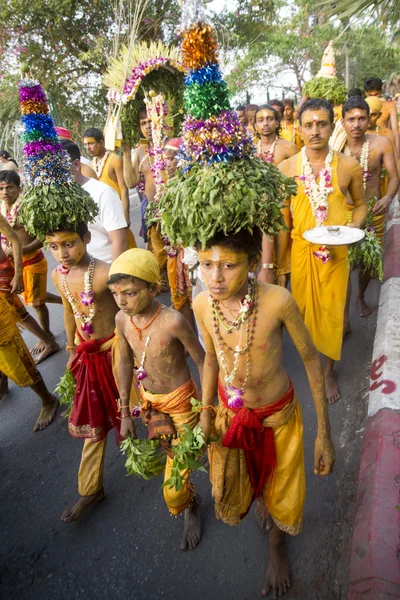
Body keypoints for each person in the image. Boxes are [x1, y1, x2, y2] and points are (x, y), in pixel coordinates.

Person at [193, 227, 335, 597]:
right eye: (206, 264)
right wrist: (207, 411)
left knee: (283, 487)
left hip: (277, 415)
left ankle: (277, 546)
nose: (216, 277)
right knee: (247, 476)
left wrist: (324, 433)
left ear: (254, 263)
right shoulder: (201, 303)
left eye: (228, 265)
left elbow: (310, 359)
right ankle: (263, 500)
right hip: (231, 412)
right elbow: (210, 357)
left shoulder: (277, 301)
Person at [108, 248, 205, 550]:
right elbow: (125, 363)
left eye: (130, 293)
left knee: (173, 485)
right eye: (115, 294)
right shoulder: (123, 320)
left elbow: (203, 361)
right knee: (172, 455)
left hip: (181, 404)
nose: (122, 301)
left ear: (153, 288)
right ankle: (190, 497)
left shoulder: (173, 321)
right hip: (149, 402)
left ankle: (187, 503)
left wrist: (209, 408)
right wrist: (125, 411)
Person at [274, 98, 368, 404]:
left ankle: (327, 372)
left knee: (331, 315)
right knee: (300, 316)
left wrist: (353, 230)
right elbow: (281, 221)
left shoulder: (350, 166)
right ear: (299, 129)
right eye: (309, 125)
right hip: (301, 252)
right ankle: (313, 363)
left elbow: (361, 205)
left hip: (336, 251)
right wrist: (273, 265)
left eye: (322, 124)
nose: (316, 131)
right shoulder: (286, 169)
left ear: (332, 126)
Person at [49, 222, 122, 522]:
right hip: (88, 356)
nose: (62, 253)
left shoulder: (106, 274)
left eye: (68, 243)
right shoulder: (58, 276)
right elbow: (69, 312)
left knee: (146, 409)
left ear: (87, 238)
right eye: (53, 246)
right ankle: (90, 488)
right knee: (95, 419)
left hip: (118, 353)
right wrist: (70, 349)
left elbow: (129, 312)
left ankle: (179, 479)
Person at [341, 96, 399, 319]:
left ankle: (360, 296)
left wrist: (387, 198)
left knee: (368, 263)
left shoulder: (381, 143)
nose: (356, 124)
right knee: (344, 265)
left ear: (369, 120)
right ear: (343, 121)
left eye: (361, 118)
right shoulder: (335, 146)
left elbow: (394, 177)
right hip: (344, 212)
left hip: (373, 211)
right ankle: (344, 314)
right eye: (351, 119)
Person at [0, 212, 58, 429]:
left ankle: (47, 399)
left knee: (11, 349)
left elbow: (15, 238)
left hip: (4, 279)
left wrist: (17, 274)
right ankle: (3, 380)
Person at [0, 170, 61, 361]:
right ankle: (65, 301)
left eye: (9, 187)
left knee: (36, 302)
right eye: (1, 188)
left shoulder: (26, 209)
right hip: (13, 263)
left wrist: (21, 250)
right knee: (32, 295)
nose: (5, 192)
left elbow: (42, 238)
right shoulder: (2, 209)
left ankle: (47, 337)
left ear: (19, 188)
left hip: (32, 261)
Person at [122, 111, 169, 291]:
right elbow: (131, 182)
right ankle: (165, 283)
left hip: (173, 206)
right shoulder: (140, 151)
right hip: (152, 208)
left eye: (150, 121)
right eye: (143, 123)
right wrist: (126, 153)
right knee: (158, 250)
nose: (148, 126)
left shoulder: (170, 145)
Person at [255, 105, 298, 288]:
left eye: (270, 118)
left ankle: (281, 293)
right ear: (255, 124)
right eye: (261, 120)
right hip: (257, 210)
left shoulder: (288, 148)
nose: (265, 123)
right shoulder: (248, 148)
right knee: (259, 259)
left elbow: (300, 180)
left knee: (281, 256)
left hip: (282, 210)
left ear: (277, 121)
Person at [63, 142, 128, 263]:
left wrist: (113, 277)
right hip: (75, 274)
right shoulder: (58, 197)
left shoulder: (103, 193)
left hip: (105, 267)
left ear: (76, 164)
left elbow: (120, 241)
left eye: (59, 168)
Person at [83, 127, 136, 249]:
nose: (88, 148)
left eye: (91, 143)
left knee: (127, 251)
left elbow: (123, 189)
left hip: (118, 216)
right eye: (85, 145)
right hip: (105, 218)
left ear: (101, 142)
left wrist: (126, 216)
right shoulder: (91, 165)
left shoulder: (115, 160)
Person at [164, 138, 195, 328]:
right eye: (165, 159)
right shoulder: (166, 186)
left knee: (196, 298)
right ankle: (189, 337)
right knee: (179, 296)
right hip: (173, 250)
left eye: (172, 159)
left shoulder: (190, 185)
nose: (167, 164)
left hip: (189, 250)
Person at [364, 78, 400, 154]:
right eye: (370, 95)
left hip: (384, 146)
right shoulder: (361, 106)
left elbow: (395, 132)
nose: (373, 97)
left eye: (376, 94)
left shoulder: (389, 106)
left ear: (380, 92)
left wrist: (397, 154)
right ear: (365, 93)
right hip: (365, 145)